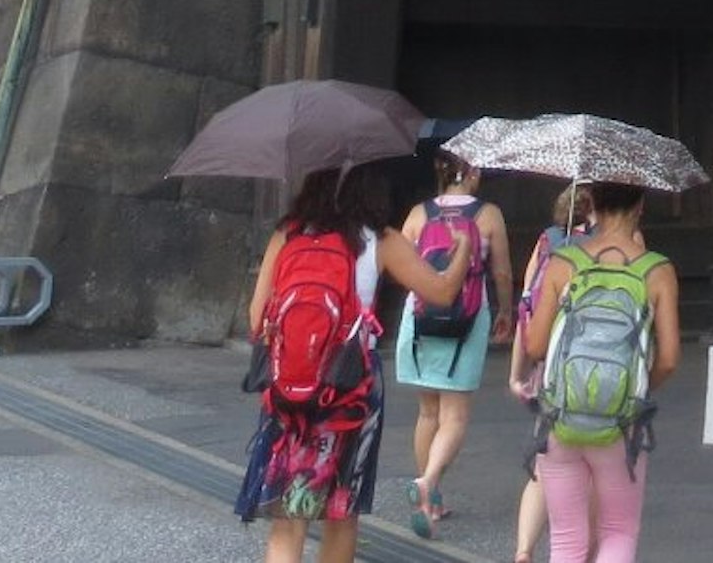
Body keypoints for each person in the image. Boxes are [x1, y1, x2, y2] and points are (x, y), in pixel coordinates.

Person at [239, 163, 472, 563]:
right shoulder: (379, 240)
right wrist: (463, 250)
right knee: (340, 512)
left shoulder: (289, 233)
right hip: (351, 389)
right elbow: (443, 292)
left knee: (288, 518)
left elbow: (257, 317)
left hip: (289, 387)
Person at [518, 182, 680, 563]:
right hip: (621, 425)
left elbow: (536, 346)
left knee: (567, 540)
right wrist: (634, 390)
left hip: (561, 416)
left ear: (591, 204)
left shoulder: (564, 262)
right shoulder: (657, 270)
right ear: (640, 205)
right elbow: (670, 358)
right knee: (618, 531)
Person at [394, 147, 516, 540]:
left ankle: (430, 501)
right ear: (473, 170)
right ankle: (428, 482)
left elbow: (403, 268)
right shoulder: (488, 214)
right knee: (456, 416)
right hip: (466, 318)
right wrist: (506, 312)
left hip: (421, 316)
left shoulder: (417, 214)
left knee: (428, 413)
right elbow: (501, 271)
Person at [503, 183, 587, 563]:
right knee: (589, 468)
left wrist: (516, 372)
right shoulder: (617, 246)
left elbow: (526, 311)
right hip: (594, 373)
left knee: (544, 461)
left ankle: (523, 550)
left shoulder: (547, 243)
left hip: (547, 366)